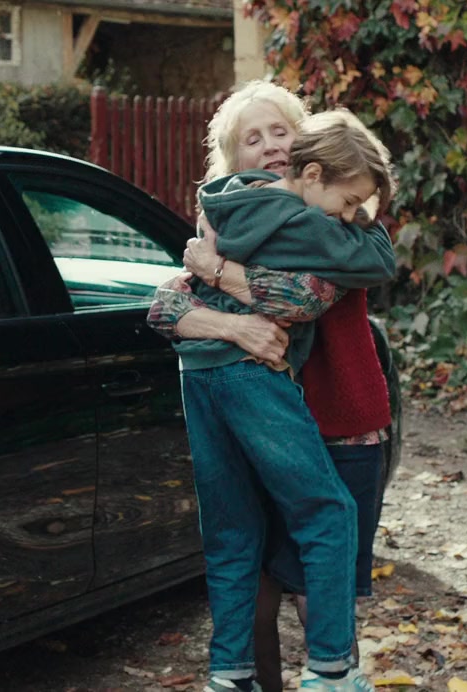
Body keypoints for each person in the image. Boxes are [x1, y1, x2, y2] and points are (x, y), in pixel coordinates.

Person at [147, 81, 395, 692]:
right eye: (252, 139)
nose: (270, 146)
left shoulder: (236, 213)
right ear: (235, 158)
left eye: (280, 131)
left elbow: (302, 298)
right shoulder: (300, 218)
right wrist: (233, 321)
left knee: (256, 546)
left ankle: (234, 676)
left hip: (330, 411)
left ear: (305, 140)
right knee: (322, 524)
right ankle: (330, 673)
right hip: (260, 390)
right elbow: (164, 305)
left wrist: (215, 271)